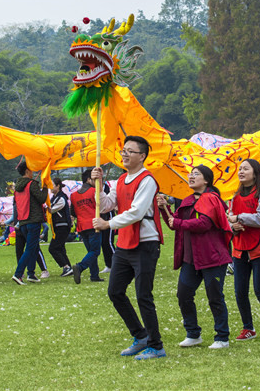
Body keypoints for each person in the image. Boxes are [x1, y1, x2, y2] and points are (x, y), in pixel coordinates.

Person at [90, 135, 166, 360]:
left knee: (143, 295)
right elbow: (105, 205)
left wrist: (108, 224)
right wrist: (99, 184)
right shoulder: (121, 179)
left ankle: (156, 345)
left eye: (130, 151)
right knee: (115, 291)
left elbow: (137, 212)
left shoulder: (148, 180)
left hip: (145, 244)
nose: (124, 154)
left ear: (142, 156)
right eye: (123, 151)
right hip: (125, 243)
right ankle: (140, 335)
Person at [160, 165, 232, 349]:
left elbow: (204, 224)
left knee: (215, 296)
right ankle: (193, 333)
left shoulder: (211, 199)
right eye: (190, 174)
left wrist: (178, 222)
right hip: (191, 259)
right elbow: (174, 224)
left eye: (196, 174)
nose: (191, 176)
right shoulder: (186, 200)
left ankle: (222, 337)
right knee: (183, 294)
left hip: (212, 257)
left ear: (206, 180)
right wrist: (164, 208)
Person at [227, 159, 260, 339]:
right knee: (240, 291)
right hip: (240, 248)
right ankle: (248, 328)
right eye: (239, 169)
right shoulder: (233, 197)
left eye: (245, 169)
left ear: (255, 172)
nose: (241, 172)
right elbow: (229, 220)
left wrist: (239, 218)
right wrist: (233, 225)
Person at [11, 161, 50, 284]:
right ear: (27, 171)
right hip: (33, 220)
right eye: (31, 170)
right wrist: (45, 187)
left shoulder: (17, 187)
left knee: (33, 248)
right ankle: (18, 274)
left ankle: (31, 274)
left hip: (22, 221)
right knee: (30, 249)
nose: (33, 172)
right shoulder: (31, 184)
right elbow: (41, 198)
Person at [70, 169, 104, 283]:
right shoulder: (95, 191)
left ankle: (94, 275)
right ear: (89, 179)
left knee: (91, 251)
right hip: (94, 225)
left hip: (81, 226)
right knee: (95, 251)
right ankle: (80, 267)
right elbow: (102, 207)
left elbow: (73, 212)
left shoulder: (73, 195)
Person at [48, 177, 73, 276]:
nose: (50, 187)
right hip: (58, 226)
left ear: (58, 186)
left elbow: (51, 210)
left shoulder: (61, 198)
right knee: (61, 248)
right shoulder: (54, 197)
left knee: (53, 248)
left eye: (52, 185)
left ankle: (66, 266)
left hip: (62, 226)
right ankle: (68, 267)